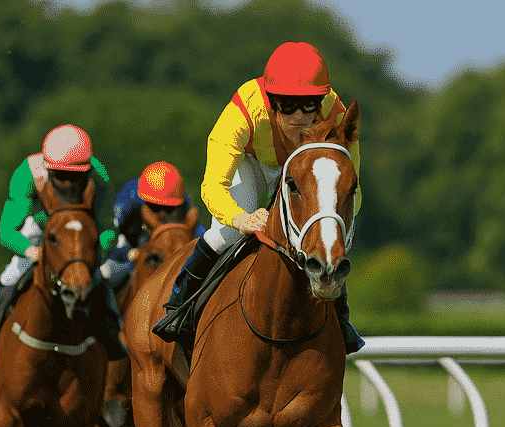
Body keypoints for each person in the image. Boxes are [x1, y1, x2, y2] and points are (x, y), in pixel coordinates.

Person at [153, 41, 365, 354]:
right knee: (224, 234)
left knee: (330, 234)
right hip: (254, 164)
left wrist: (335, 223)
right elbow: (213, 185)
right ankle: (180, 307)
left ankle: (342, 319)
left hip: (306, 169)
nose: (298, 116)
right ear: (270, 100)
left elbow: (352, 189)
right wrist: (241, 218)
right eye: (287, 104)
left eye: (308, 104)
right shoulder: (243, 109)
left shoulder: (338, 116)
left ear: (322, 101)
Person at [0, 124, 126, 359]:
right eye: (61, 176)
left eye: (76, 176)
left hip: (79, 241)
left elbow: (108, 230)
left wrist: (89, 256)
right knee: (11, 276)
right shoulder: (27, 174)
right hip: (38, 235)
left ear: (87, 169)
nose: (69, 184)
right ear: (47, 169)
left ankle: (112, 334)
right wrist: (32, 252)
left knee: (100, 282)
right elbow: (7, 231)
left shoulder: (98, 175)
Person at [99, 161, 206, 291]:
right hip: (128, 251)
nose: (162, 214)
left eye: (169, 209)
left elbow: (200, 237)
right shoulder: (130, 196)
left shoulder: (184, 203)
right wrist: (128, 253)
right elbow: (109, 234)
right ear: (143, 200)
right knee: (105, 272)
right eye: (155, 207)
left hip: (160, 256)